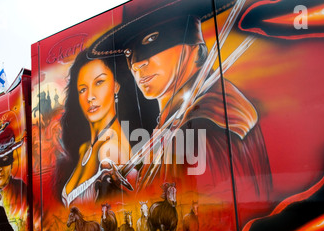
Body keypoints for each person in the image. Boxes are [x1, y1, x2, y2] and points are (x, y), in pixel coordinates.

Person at [88, 0, 272, 202]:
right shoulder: (185, 115)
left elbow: (197, 216)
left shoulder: (202, 121)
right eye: (128, 53)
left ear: (191, 42)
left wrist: (118, 201)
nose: (137, 64)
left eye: (151, 39)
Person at [58, 50, 135, 207]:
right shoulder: (85, 148)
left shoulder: (110, 148)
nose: (90, 96)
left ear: (116, 86)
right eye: (82, 89)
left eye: (99, 82)